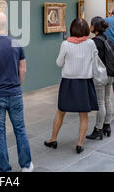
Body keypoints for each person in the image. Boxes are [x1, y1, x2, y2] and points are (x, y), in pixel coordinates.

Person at [0, 12, 33, 172]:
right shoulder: (16, 43)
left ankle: (4, 169)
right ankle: (26, 165)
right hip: (15, 92)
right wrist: (17, 84)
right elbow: (23, 69)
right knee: (20, 129)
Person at [45, 18, 99, 154]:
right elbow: (95, 61)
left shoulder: (65, 44)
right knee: (84, 114)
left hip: (68, 82)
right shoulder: (91, 43)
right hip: (85, 82)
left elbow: (59, 63)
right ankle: (80, 144)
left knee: (61, 111)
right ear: (86, 29)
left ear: (72, 29)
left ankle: (53, 139)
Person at [86, 17, 114, 140]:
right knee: (107, 99)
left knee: (100, 102)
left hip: (100, 76)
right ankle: (107, 125)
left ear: (94, 26)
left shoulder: (93, 42)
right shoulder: (107, 39)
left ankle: (98, 129)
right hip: (110, 74)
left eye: (91, 24)